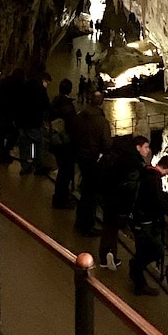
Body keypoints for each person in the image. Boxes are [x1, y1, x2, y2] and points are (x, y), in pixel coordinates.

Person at [128, 154, 168, 296]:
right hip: (143, 220)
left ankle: (138, 277)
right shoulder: (153, 178)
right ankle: (137, 273)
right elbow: (157, 200)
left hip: (141, 218)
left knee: (144, 249)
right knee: (156, 250)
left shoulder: (149, 174)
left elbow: (157, 195)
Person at [98, 134, 150, 268]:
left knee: (108, 225)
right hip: (119, 199)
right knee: (113, 226)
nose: (148, 150)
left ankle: (105, 255)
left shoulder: (121, 155)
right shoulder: (133, 162)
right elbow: (130, 186)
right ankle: (110, 253)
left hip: (107, 193)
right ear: (138, 147)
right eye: (146, 147)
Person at [71, 91, 111, 236]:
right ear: (101, 102)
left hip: (81, 157)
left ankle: (79, 221)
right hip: (94, 160)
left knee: (85, 190)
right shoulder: (101, 122)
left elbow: (73, 134)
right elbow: (107, 145)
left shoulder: (79, 116)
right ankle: (87, 226)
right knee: (91, 194)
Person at [50, 79, 78, 208]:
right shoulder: (67, 107)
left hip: (56, 140)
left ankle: (60, 196)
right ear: (70, 90)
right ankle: (60, 199)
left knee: (62, 170)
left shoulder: (55, 102)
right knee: (65, 172)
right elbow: (72, 126)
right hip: (65, 143)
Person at [15, 71, 51, 174]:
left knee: (24, 144)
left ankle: (25, 166)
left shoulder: (26, 84)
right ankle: (37, 166)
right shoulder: (40, 89)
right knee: (38, 144)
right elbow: (46, 105)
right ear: (44, 80)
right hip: (34, 121)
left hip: (22, 120)